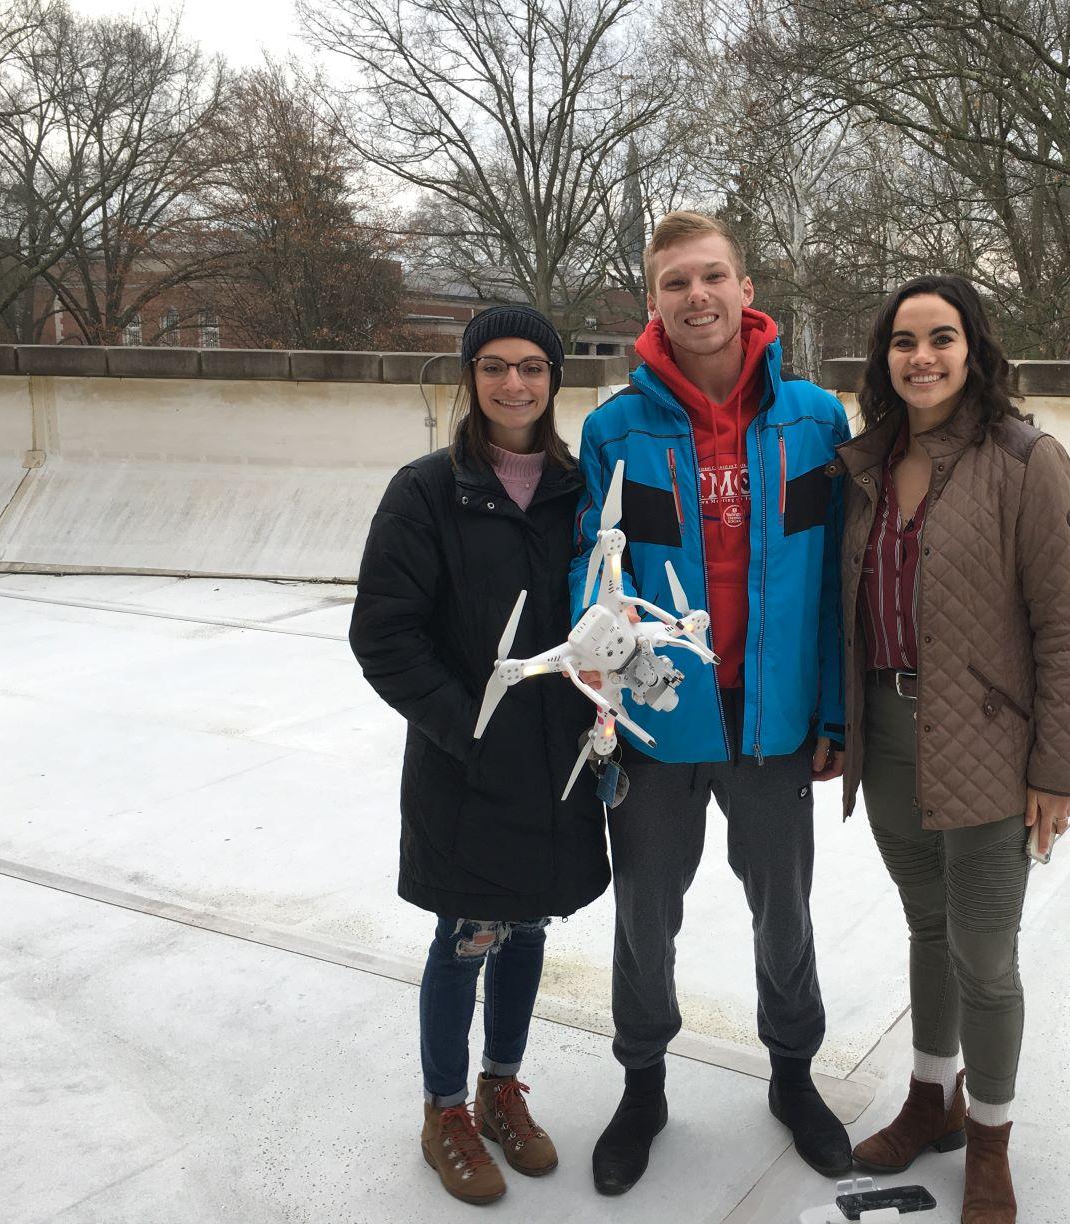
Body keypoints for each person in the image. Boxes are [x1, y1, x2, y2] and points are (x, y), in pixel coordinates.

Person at [569, 211, 852, 1194]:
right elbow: (591, 570)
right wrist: (600, 651)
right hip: (659, 725)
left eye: (713, 276)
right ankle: (642, 1084)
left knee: (786, 906)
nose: (697, 296)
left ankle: (793, 1074)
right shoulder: (615, 430)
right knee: (646, 910)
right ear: (653, 300)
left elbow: (835, 585)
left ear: (746, 288)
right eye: (676, 282)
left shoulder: (815, 419)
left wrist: (834, 713)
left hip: (774, 724)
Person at [836, 275, 1070, 1224]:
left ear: (974, 350)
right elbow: (847, 613)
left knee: (985, 953)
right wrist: (840, 729)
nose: (923, 358)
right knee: (926, 929)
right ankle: (927, 1100)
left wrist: (1056, 769)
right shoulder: (864, 464)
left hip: (988, 745)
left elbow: (1062, 626)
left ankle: (988, 1138)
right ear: (884, 359)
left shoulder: (1026, 461)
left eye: (942, 339)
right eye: (904, 343)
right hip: (891, 738)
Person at [349, 305, 611, 1207]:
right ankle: (445, 1110)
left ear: (554, 378)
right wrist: (468, 725)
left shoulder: (584, 492)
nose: (513, 385)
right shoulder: (427, 491)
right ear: (470, 377)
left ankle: (503, 1085)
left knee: (530, 924)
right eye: (494, 368)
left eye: (531, 367)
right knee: (467, 936)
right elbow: (384, 635)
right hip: (468, 765)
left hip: (562, 760)